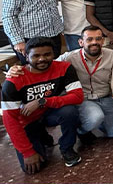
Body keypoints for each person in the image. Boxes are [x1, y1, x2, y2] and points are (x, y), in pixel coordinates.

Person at [6, 25, 113, 144]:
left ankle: (96, 123)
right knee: (95, 117)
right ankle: (80, 130)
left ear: (103, 41)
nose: (94, 42)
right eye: (89, 39)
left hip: (105, 97)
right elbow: (45, 63)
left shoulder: (111, 55)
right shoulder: (69, 57)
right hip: (83, 99)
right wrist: (17, 69)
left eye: (98, 39)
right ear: (81, 42)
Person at [1, 37, 84, 173]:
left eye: (47, 54)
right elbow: (10, 120)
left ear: (53, 54)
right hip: (28, 121)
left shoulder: (64, 68)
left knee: (69, 112)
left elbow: (77, 96)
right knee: (34, 168)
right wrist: (27, 152)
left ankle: (67, 148)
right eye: (36, 56)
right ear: (26, 56)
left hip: (50, 112)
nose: (42, 59)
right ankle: (41, 135)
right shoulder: (13, 80)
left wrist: (42, 101)